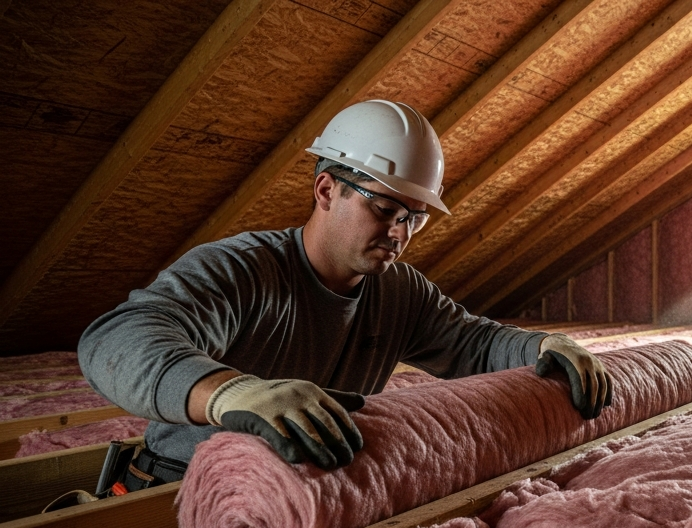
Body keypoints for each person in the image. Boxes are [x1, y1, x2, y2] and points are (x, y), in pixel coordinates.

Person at [79, 99, 611, 494]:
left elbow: (473, 343)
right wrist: (228, 393)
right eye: (384, 209)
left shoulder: (399, 290)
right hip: (178, 488)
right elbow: (116, 338)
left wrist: (541, 348)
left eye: (414, 218)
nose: (400, 233)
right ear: (327, 190)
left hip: (303, 494)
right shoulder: (241, 270)